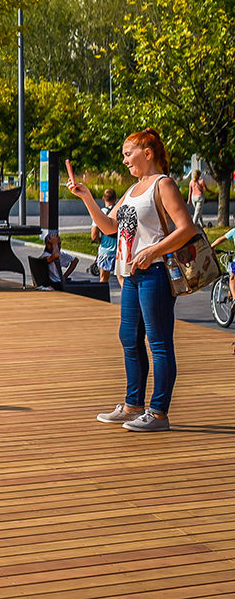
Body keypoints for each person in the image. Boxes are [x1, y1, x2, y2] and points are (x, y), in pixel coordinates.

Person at [67, 129, 199, 433]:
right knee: (129, 339)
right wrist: (86, 197)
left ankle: (159, 413)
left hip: (155, 273)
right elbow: (110, 226)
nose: (125, 159)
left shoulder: (163, 184)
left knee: (159, 343)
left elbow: (187, 228)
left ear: (147, 152)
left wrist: (152, 250)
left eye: (129, 153)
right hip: (131, 275)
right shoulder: (133, 189)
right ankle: (133, 405)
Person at [93, 188, 120, 282]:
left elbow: (94, 235)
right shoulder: (120, 211)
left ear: (103, 198)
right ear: (115, 199)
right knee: (122, 279)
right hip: (120, 250)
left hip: (105, 251)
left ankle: (102, 296)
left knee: (104, 278)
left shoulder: (101, 213)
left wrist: (100, 241)